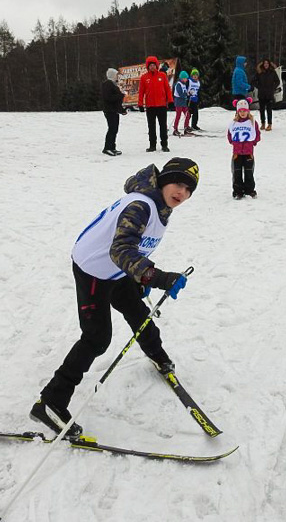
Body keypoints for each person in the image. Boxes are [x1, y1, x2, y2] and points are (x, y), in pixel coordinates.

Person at [31, 157, 199, 438]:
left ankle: (158, 356)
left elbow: (136, 247)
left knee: (137, 311)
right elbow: (120, 250)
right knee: (96, 338)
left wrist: (139, 276)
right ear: (164, 180)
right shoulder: (141, 205)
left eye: (188, 189)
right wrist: (155, 277)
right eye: (178, 183)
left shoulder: (160, 206)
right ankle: (51, 402)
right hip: (94, 270)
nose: (181, 193)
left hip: (118, 271)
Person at [137, 56, 173, 153]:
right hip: (150, 106)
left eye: (154, 65)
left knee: (163, 126)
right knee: (151, 127)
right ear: (147, 67)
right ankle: (152, 145)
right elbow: (141, 92)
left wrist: (170, 101)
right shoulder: (144, 77)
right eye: (150, 65)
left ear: (157, 66)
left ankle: (164, 145)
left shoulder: (162, 76)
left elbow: (167, 90)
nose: (152, 67)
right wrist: (140, 103)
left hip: (161, 105)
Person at [227, 98, 261, 199]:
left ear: (248, 111)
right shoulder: (233, 123)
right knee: (237, 172)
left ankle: (249, 190)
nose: (242, 113)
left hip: (248, 152)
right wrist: (233, 142)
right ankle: (238, 191)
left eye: (244, 111)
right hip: (237, 152)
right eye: (240, 111)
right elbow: (230, 134)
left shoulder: (252, 123)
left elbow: (257, 134)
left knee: (249, 171)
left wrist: (253, 142)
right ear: (237, 112)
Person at [101, 68, 126, 157]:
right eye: (116, 75)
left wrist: (122, 110)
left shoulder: (113, 84)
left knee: (114, 129)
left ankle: (112, 147)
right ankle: (107, 148)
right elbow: (109, 98)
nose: (117, 76)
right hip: (109, 110)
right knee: (112, 129)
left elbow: (116, 101)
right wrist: (120, 95)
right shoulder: (108, 84)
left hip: (114, 110)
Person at [254, 59, 280, 131]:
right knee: (261, 110)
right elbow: (253, 81)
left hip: (269, 94)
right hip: (261, 94)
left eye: (267, 63)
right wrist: (259, 86)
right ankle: (263, 124)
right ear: (262, 64)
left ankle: (269, 124)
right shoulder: (259, 72)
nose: (266, 65)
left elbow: (277, 81)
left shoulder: (272, 72)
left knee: (269, 110)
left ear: (269, 64)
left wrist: (273, 88)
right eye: (264, 63)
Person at [172, 71, 192, 137]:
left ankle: (186, 127)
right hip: (178, 102)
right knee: (178, 115)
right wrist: (186, 95)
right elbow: (180, 94)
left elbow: (185, 92)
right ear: (182, 78)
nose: (186, 80)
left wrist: (189, 93)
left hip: (183, 102)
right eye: (185, 78)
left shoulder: (183, 84)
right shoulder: (178, 84)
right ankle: (175, 129)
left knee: (188, 115)